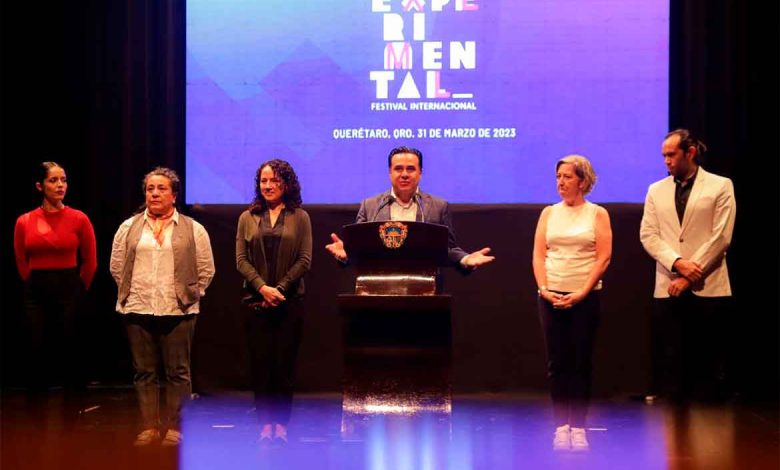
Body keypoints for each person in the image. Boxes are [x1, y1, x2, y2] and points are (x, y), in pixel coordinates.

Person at [110, 167, 215, 447]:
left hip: (178, 309)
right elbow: (117, 266)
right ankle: (148, 427)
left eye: (161, 189)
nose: (154, 194)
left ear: (174, 195)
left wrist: (190, 294)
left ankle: (175, 427)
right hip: (138, 307)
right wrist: (134, 291)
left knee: (178, 372)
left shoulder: (193, 229)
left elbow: (206, 269)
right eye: (150, 189)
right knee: (144, 372)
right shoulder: (128, 227)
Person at [640, 129, 736, 402]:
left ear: (690, 152)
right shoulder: (656, 190)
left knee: (706, 360)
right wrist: (677, 263)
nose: (666, 161)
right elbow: (648, 234)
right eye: (664, 156)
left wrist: (691, 274)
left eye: (671, 155)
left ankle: (707, 421)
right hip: (669, 284)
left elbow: (721, 236)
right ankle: (675, 421)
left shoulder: (720, 185)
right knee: (672, 360)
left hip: (707, 285)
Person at [532, 155, 612, 451]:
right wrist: (544, 289)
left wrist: (582, 292)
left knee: (580, 362)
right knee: (557, 363)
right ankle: (560, 428)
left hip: (585, 297)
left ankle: (578, 427)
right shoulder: (549, 213)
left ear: (582, 181)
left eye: (567, 177)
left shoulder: (597, 213)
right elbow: (538, 255)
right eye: (558, 177)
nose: (561, 182)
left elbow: (603, 257)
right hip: (550, 295)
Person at [235, 159, 312, 445]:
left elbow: (304, 259)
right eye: (264, 181)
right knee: (261, 366)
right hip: (255, 303)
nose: (268, 186)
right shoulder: (247, 217)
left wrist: (278, 289)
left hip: (289, 302)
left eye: (275, 181)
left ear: (287, 184)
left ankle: (281, 424)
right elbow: (241, 261)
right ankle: (265, 425)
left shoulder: (300, 217)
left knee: (284, 366)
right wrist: (262, 289)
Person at [325, 146, 494, 271]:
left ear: (420, 173)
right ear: (390, 172)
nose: (404, 174)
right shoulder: (370, 206)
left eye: (411, 169)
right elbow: (359, 250)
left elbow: (448, 249)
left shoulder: (438, 206)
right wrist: (347, 254)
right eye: (398, 168)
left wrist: (465, 259)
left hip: (425, 290)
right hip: (377, 289)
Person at [13, 161, 97, 404]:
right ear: (40, 186)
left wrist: (78, 289)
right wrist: (31, 282)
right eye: (53, 180)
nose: (60, 185)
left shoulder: (79, 219)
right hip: (36, 289)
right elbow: (20, 259)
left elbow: (90, 261)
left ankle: (74, 404)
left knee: (70, 346)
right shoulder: (24, 221)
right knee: (36, 345)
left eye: (64, 180)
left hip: (69, 286)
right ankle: (36, 405)